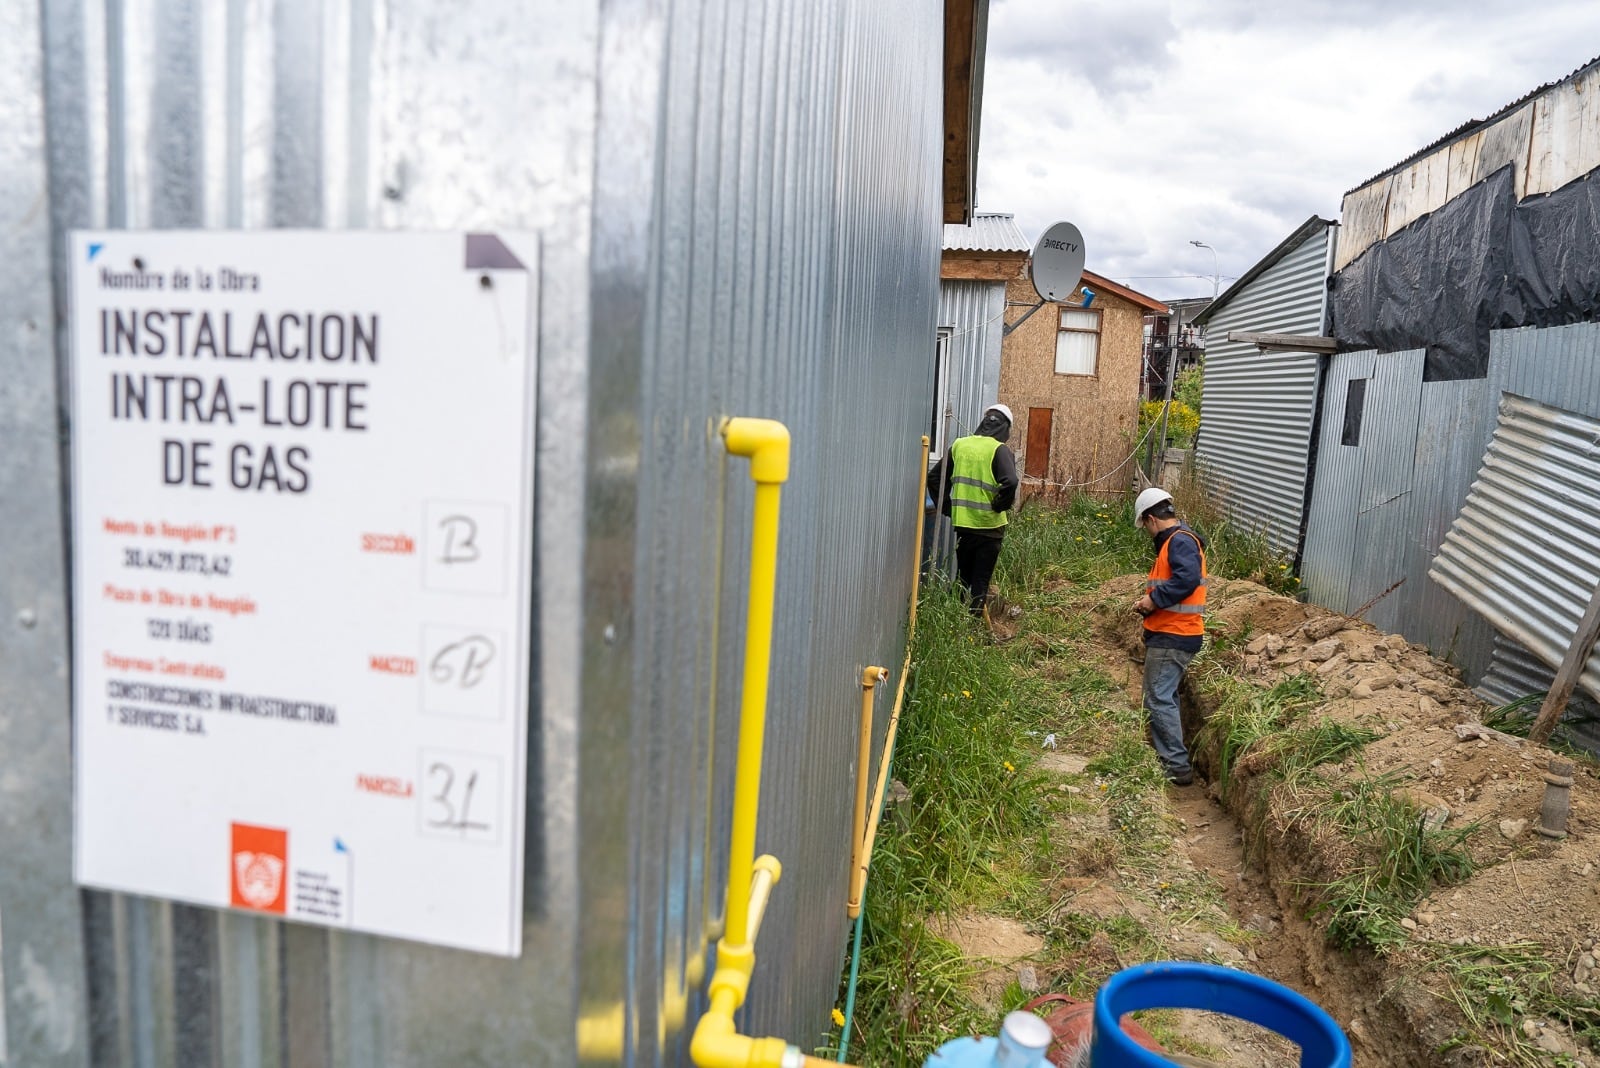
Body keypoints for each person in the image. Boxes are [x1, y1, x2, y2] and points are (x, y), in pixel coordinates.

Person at [1131, 487, 1206, 786]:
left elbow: (1186, 579)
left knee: (1158, 699)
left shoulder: (1179, 542)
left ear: (1151, 520)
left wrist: (1154, 600)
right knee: (1166, 697)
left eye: (1145, 527)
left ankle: (1175, 766)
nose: (1147, 533)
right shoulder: (1180, 541)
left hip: (1173, 634)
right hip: (1174, 631)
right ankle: (1175, 761)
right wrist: (1153, 602)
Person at [931, 404, 1018, 616]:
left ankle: (953, 622)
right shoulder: (999, 449)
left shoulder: (960, 445)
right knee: (980, 584)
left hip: (965, 527)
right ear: (1005, 428)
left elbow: (935, 478)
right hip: (990, 528)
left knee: (963, 578)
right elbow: (1011, 482)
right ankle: (974, 629)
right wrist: (1000, 506)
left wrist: (948, 508)